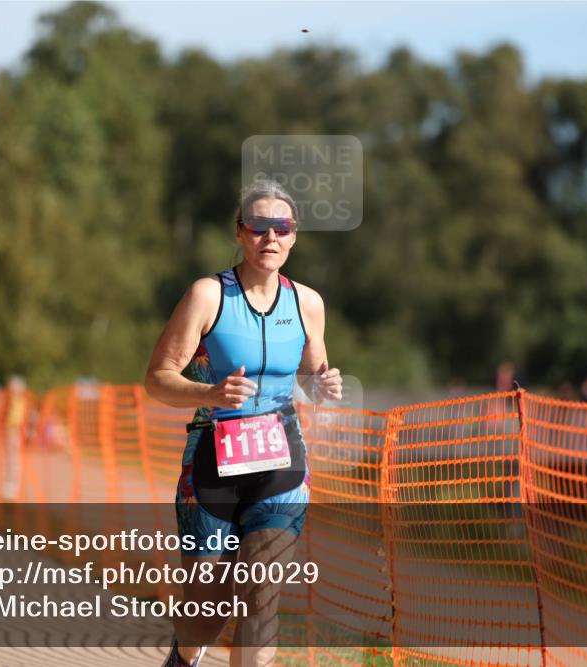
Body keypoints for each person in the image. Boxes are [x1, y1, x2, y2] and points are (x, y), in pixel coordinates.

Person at [145, 179, 342, 667]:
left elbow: (311, 377)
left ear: (294, 236)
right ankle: (183, 657)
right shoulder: (207, 295)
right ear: (239, 232)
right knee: (205, 608)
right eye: (258, 226)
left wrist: (324, 385)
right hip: (213, 459)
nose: (270, 237)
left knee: (261, 595)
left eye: (282, 228)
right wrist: (210, 393)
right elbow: (157, 378)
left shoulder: (308, 304)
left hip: (281, 462)